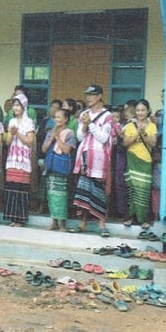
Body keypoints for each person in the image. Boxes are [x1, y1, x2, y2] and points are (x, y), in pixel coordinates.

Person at [70, 85, 113, 237]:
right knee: (84, 190)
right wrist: (84, 125)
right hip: (85, 155)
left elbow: (103, 138)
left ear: (99, 96)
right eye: (87, 94)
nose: (88, 97)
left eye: (92, 94)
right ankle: (82, 223)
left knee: (98, 190)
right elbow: (80, 137)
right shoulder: (84, 114)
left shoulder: (107, 115)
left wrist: (91, 125)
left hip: (100, 157)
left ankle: (101, 224)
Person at [122, 99, 157, 230]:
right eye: (138, 110)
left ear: (148, 111)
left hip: (145, 160)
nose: (140, 113)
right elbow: (125, 143)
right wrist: (136, 133)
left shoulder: (152, 126)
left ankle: (143, 219)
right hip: (132, 159)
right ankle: (130, 217)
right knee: (132, 189)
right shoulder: (130, 126)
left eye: (143, 110)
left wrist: (144, 133)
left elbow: (153, 143)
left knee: (143, 190)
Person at [41, 109, 75, 231]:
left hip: (61, 168)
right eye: (55, 117)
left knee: (62, 196)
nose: (56, 119)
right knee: (51, 195)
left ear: (66, 119)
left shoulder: (69, 133)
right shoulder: (50, 132)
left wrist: (58, 138)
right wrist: (52, 137)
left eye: (59, 117)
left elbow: (66, 150)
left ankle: (63, 224)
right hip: (51, 167)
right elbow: (44, 149)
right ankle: (54, 222)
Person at [4, 96, 35, 227]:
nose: (15, 108)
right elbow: (7, 142)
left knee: (21, 189)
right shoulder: (12, 121)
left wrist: (17, 133)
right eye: (14, 105)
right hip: (12, 159)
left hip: (23, 160)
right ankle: (13, 217)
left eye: (18, 105)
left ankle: (21, 219)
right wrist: (11, 134)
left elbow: (29, 141)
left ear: (23, 107)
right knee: (12, 187)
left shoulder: (29, 122)